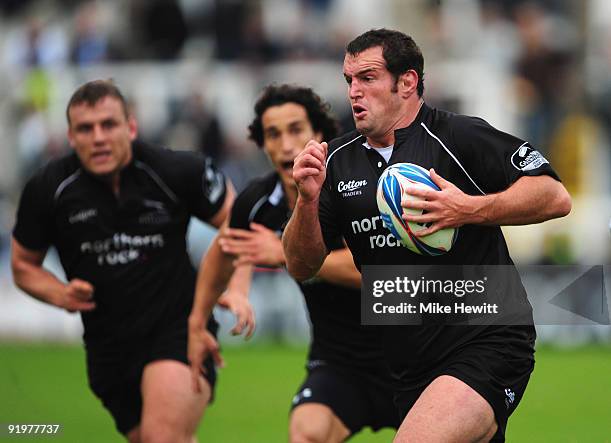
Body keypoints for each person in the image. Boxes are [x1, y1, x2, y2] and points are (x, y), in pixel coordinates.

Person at [283, 29, 572, 443]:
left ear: (407, 82)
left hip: (488, 337)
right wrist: (306, 202)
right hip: (408, 362)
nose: (354, 92)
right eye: (349, 80)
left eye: (367, 77)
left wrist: (467, 209)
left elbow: (554, 195)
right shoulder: (336, 162)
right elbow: (299, 263)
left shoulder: (458, 136)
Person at [11, 79, 252, 443]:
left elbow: (240, 226)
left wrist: (236, 289)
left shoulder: (175, 170)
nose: (98, 137)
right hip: (107, 346)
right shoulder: (49, 190)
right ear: (71, 136)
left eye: (109, 125)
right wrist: (59, 293)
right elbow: (22, 266)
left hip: (178, 328)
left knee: (162, 437)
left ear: (131, 126)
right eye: (86, 129)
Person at [188, 84, 400, 442]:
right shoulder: (258, 202)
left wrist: (287, 256)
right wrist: (203, 320)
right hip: (340, 363)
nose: (286, 145)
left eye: (296, 130)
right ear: (262, 144)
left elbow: (384, 278)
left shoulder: (358, 185)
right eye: (273, 133)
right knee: (306, 432)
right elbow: (226, 252)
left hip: (411, 354)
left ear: (320, 135)